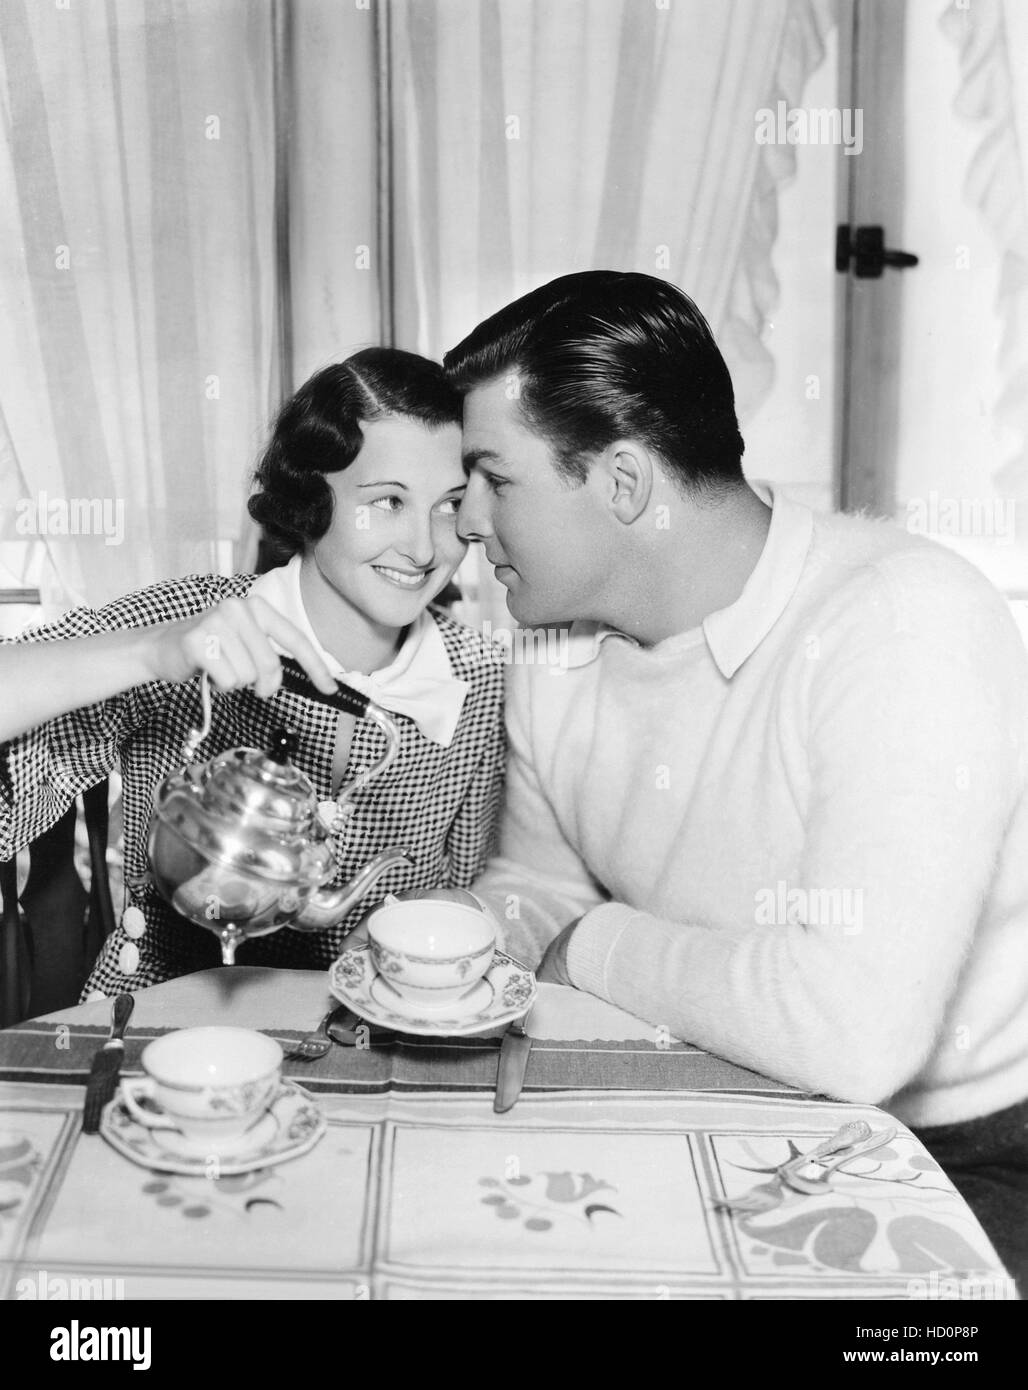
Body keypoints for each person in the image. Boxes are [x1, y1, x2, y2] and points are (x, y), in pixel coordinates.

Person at [440, 269, 1028, 1293]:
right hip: (733, 1105)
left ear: (622, 484)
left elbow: (850, 1036)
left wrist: (586, 943)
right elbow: (536, 887)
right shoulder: (547, 653)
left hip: (968, 1153)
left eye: (495, 478)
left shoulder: (900, 622)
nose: (466, 524)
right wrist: (448, 945)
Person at [0, 348, 505, 995]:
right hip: (157, 1016)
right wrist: (147, 653)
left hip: (372, 1032)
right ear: (310, 495)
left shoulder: (480, 678)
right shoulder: (190, 620)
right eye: (388, 501)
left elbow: (465, 900)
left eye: (447, 506)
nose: (425, 548)